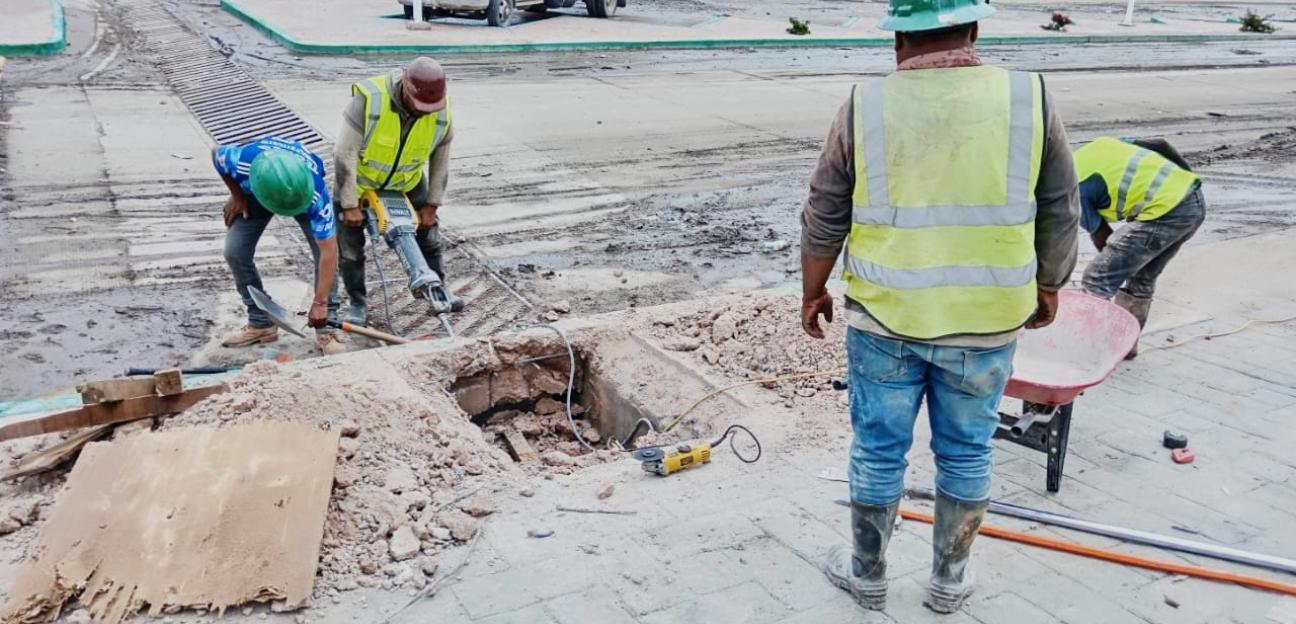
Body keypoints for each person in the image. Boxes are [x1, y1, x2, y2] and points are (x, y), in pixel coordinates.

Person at [798, 0, 1079, 612]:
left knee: (878, 451)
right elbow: (1060, 204)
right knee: (967, 451)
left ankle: (868, 576)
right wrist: (1050, 282)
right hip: (987, 319)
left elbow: (825, 209)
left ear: (898, 38)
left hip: (885, 318)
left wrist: (812, 289)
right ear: (973, 30)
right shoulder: (1029, 96)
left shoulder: (865, 104)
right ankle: (949, 583)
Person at [334, 56, 461, 325]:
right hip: (361, 182)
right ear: (405, 86)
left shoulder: (440, 110)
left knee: (430, 237)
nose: (424, 112)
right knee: (350, 249)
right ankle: (357, 302)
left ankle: (439, 288)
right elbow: (344, 153)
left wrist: (432, 204)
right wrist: (349, 204)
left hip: (407, 180)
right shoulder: (369, 100)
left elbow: (441, 158)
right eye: (419, 106)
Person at [1075, 136, 1204, 357]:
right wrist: (1186, 180)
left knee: (1097, 277)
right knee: (1142, 278)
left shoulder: (1071, 190)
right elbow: (1162, 144)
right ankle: (1124, 348)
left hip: (1165, 212)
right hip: (1193, 200)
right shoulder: (1098, 146)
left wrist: (1118, 265)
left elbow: (1102, 237)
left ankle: (1087, 353)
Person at [215, 136, 345, 355]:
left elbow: (329, 253)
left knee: (322, 255)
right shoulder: (241, 160)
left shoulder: (315, 195)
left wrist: (320, 303)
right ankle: (260, 323)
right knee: (235, 251)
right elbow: (215, 154)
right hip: (258, 190)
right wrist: (237, 195)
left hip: (301, 194)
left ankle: (326, 326)